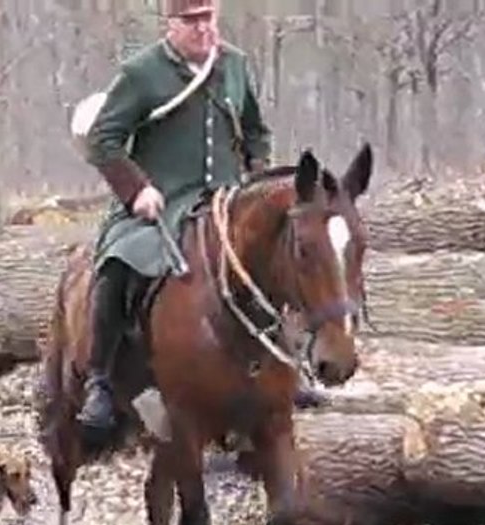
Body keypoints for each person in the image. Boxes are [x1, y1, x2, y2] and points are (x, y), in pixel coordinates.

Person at [76, 0, 325, 430]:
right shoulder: (141, 74)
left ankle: (288, 361)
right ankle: (99, 380)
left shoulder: (234, 65)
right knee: (118, 264)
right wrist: (137, 189)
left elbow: (253, 132)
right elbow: (102, 140)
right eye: (191, 21)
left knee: (281, 255)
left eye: (208, 18)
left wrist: (259, 176)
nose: (202, 29)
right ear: (171, 25)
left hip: (229, 198)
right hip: (162, 200)